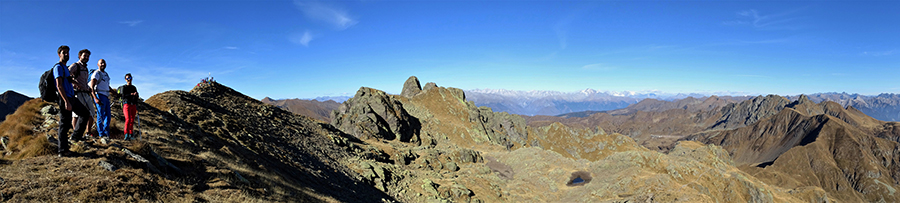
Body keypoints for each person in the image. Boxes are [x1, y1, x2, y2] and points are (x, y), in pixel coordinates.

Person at [53, 45, 91, 157]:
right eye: (63, 52)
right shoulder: (58, 67)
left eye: (67, 52)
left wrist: (76, 83)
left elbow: (68, 79)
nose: (66, 54)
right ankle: (62, 151)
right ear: (59, 54)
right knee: (64, 124)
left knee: (85, 113)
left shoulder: (65, 68)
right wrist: (66, 101)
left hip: (71, 96)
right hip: (65, 98)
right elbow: (59, 86)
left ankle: (76, 136)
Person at [68, 49, 95, 140]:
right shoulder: (75, 66)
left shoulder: (86, 68)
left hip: (86, 93)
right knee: (76, 115)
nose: (86, 58)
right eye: (84, 56)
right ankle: (76, 134)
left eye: (88, 56)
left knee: (91, 112)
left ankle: (87, 132)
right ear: (80, 56)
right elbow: (67, 74)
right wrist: (73, 82)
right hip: (77, 93)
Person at [89, 59, 115, 143]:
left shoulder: (106, 74)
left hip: (106, 96)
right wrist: (95, 98)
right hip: (99, 95)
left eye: (104, 63)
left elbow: (107, 85)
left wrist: (113, 92)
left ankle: (106, 133)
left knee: (108, 116)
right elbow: (92, 86)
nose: (103, 64)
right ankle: (101, 134)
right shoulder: (96, 73)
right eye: (101, 63)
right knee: (101, 116)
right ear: (98, 64)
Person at [121, 73, 139, 140]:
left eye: (130, 78)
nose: (129, 80)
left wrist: (136, 95)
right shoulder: (124, 87)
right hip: (126, 104)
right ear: (125, 79)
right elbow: (123, 96)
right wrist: (131, 94)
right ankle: (126, 134)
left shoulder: (134, 87)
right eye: (127, 78)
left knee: (132, 120)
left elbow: (136, 97)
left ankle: (131, 134)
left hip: (133, 104)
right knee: (128, 119)